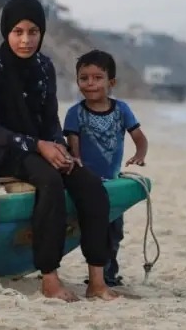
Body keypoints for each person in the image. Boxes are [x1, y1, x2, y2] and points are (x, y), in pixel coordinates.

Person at [0, 0, 118, 302]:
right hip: (0, 152)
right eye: (18, 32)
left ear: (42, 32)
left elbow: (50, 119)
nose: (25, 40)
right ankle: (50, 279)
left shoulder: (44, 67)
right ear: (6, 32)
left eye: (33, 32)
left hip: (41, 146)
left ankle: (97, 281)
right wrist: (40, 147)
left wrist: (62, 150)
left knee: (89, 183)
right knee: (49, 182)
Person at [63, 49, 149, 287]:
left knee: (114, 231)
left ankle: (109, 274)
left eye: (97, 78)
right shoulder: (75, 113)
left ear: (111, 82)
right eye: (84, 78)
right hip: (86, 184)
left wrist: (139, 156)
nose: (90, 83)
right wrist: (76, 162)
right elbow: (74, 147)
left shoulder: (122, 110)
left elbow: (139, 137)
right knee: (86, 230)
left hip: (112, 184)